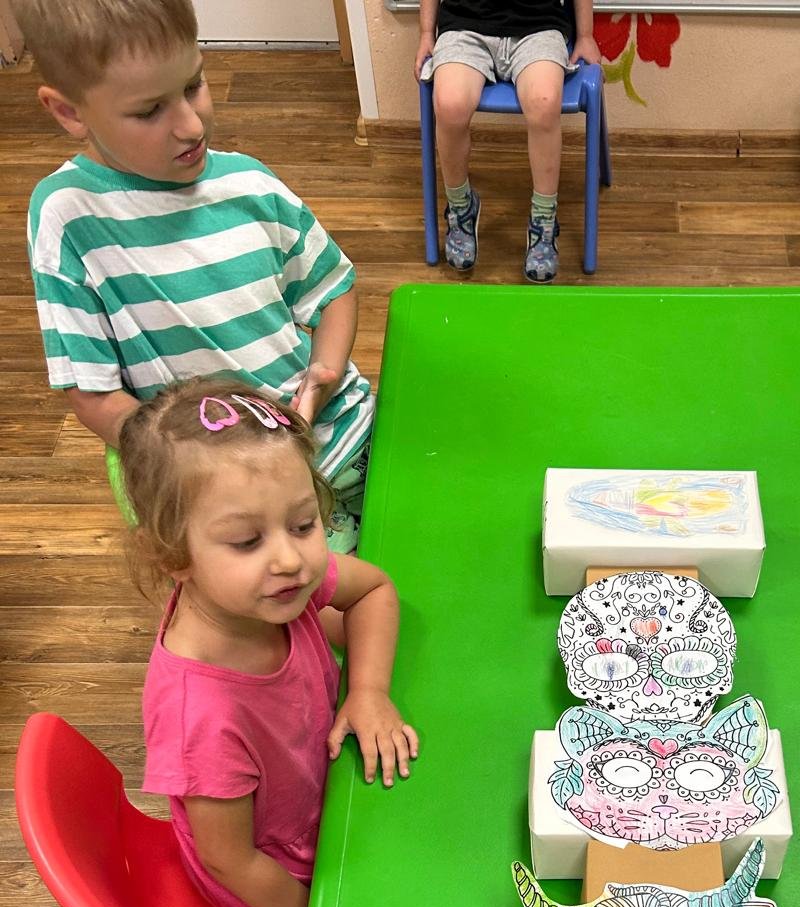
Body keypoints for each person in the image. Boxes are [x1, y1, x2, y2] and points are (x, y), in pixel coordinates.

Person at [18, 0, 374, 552]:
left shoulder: (250, 184)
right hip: (236, 500)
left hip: (340, 437)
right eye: (149, 111)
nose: (190, 124)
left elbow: (333, 291)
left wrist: (321, 378)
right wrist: (207, 469)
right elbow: (93, 394)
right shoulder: (67, 217)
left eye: (194, 85)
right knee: (329, 595)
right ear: (69, 112)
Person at [119, 377, 419, 907]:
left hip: (337, 795)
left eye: (304, 524)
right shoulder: (200, 718)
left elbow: (374, 590)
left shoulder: (269, 591)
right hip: (286, 878)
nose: (289, 559)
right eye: (246, 541)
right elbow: (231, 862)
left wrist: (368, 691)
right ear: (171, 554)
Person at [414, 0, 601, 283]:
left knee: (544, 102)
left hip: (538, 27)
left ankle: (543, 218)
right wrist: (426, 33)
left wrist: (585, 34)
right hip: (464, 27)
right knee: (450, 105)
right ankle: (461, 206)